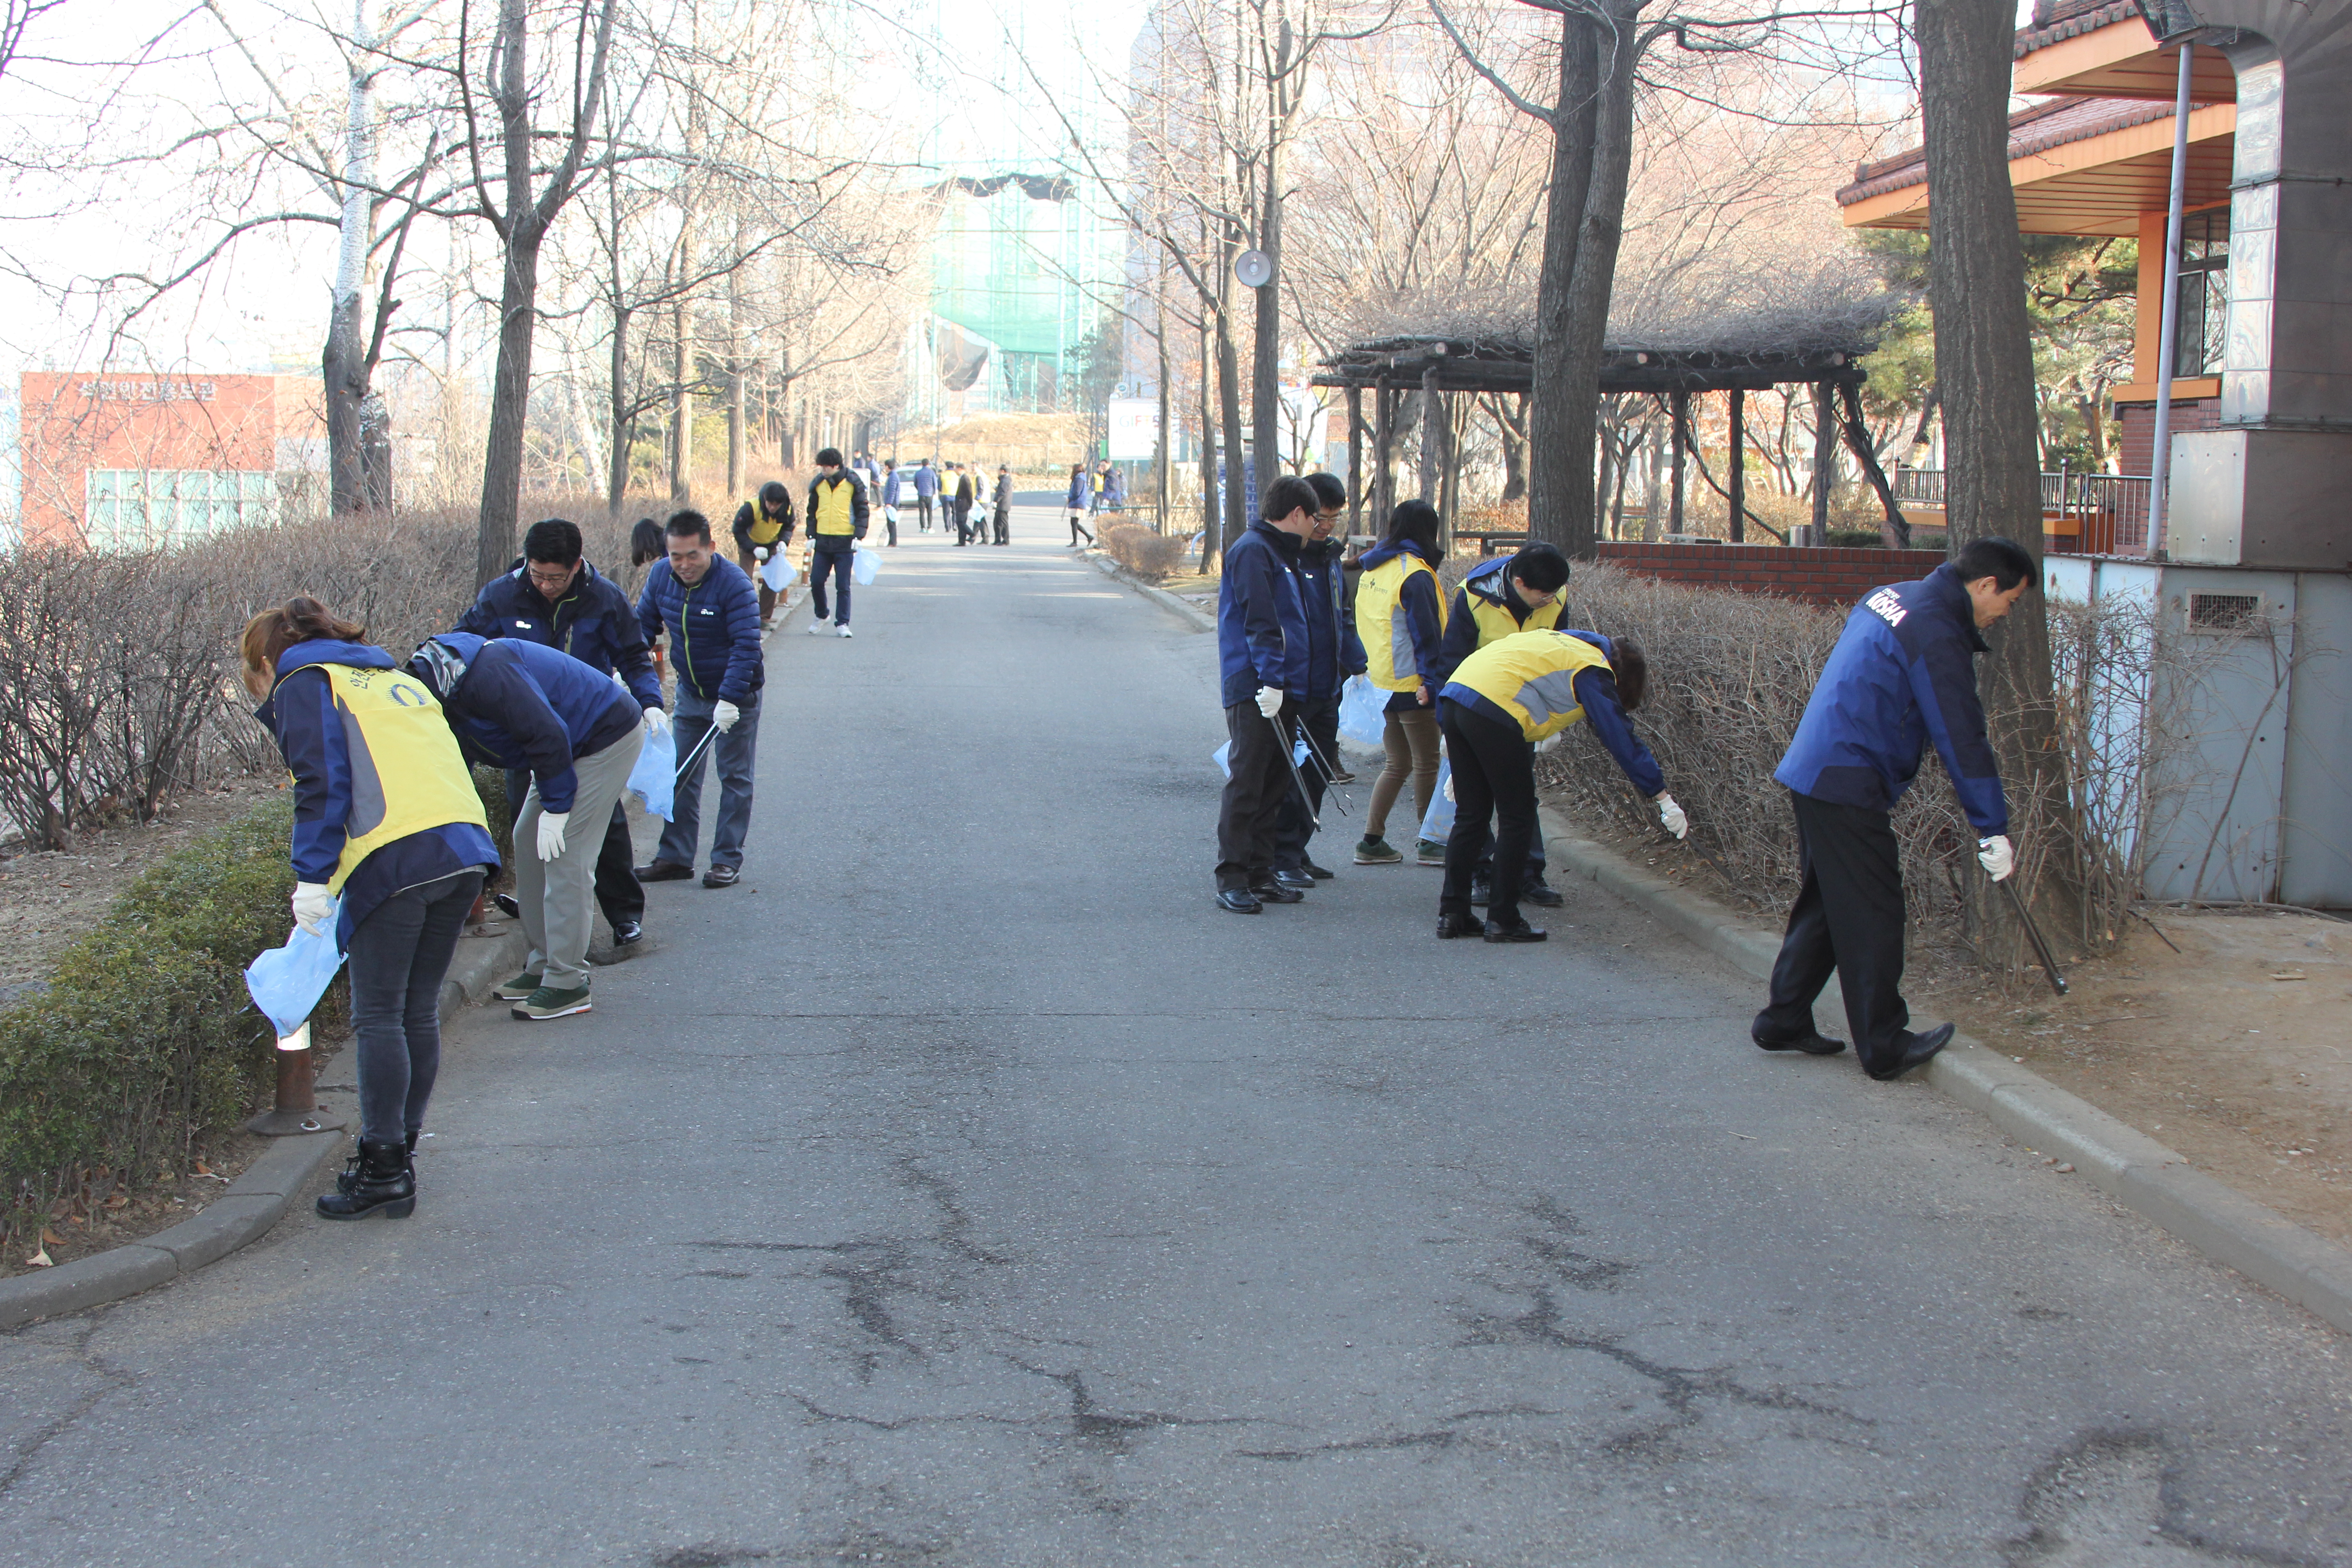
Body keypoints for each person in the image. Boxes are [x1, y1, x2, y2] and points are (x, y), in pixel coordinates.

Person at [241, 598, 497, 1222]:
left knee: (379, 1014)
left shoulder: (306, 680)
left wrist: (311, 877)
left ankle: (383, 1167)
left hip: (396, 855)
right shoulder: (389, 678)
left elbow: (320, 782)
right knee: (415, 1011)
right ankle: (397, 1154)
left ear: (266, 659)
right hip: (464, 846)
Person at [1757, 536, 2034, 1079]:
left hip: (1817, 764)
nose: (2007, 613)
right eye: (2011, 601)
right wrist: (1992, 825)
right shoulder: (1935, 630)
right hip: (1847, 776)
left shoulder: (1892, 595)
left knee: (1829, 905)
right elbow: (1961, 732)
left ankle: (1784, 1019)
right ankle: (1884, 1046)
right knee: (1874, 913)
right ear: (1986, 586)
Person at [403, 632, 647, 1021]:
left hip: (604, 735)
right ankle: (543, 964)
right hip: (564, 745)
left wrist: (557, 808)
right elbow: (455, 761)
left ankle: (568, 981)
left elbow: (548, 733)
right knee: (527, 838)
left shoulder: (485, 677)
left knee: (567, 851)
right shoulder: (442, 693)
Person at [455, 517, 664, 949]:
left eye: (555, 577)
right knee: (529, 826)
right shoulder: (501, 596)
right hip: (524, 733)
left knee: (602, 826)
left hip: (588, 732)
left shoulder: (604, 599)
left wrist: (650, 702)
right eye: (537, 575)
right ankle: (541, 915)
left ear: (576, 567)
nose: (546, 585)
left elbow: (633, 655)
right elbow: (463, 646)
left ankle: (624, 913)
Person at [1437, 628, 1683, 943]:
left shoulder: (1565, 641)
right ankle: (1503, 919)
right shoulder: (1592, 668)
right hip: (1493, 710)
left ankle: (1453, 915)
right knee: (1518, 818)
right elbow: (1619, 736)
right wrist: (1661, 795)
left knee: (1471, 816)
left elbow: (1511, 679)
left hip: (1457, 695)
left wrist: (1467, 767)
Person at [1433, 542, 1573, 902]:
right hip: (1476, 710)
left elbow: (1560, 657)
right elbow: (1451, 663)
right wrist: (1446, 727)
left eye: (1554, 594)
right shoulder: (1474, 597)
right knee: (1474, 799)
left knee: (1522, 797)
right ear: (1520, 582)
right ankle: (1480, 872)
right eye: (1543, 594)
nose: (1550, 600)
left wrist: (1553, 722)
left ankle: (1528, 874)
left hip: (1523, 713)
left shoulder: (1556, 598)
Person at [636, 510, 764, 887]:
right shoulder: (662, 576)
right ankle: (675, 857)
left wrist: (730, 699)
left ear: (710, 546)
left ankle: (726, 859)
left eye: (693, 555)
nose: (684, 565)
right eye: (676, 556)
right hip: (692, 692)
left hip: (736, 695)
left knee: (735, 777)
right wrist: (622, 670)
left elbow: (746, 646)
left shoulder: (734, 585)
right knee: (681, 776)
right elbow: (642, 626)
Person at [1212, 475, 1320, 913]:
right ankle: (1233, 877)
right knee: (1248, 781)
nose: (1316, 527)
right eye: (1314, 519)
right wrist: (1272, 681)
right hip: (1258, 682)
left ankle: (1259, 872)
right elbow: (1261, 621)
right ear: (1297, 514)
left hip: (1281, 682)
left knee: (1274, 784)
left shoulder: (1278, 552)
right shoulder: (1255, 551)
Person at [1268, 472, 1367, 889]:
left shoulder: (1328, 556)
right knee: (1288, 775)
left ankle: (1297, 849)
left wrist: (1358, 664)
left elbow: (1341, 616)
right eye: (1321, 518)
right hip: (1293, 686)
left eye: (1335, 519)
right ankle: (1279, 855)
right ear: (1302, 513)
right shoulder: (1280, 557)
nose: (1326, 527)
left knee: (1317, 773)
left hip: (1328, 684)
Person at [1351, 499, 1448, 867]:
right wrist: (1432, 682)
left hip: (1380, 681)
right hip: (1413, 684)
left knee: (1397, 763)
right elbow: (1427, 635)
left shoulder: (1375, 569)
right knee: (1426, 763)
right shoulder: (1415, 574)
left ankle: (1371, 841)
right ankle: (1430, 840)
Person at [803, 447, 867, 637]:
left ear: (837, 466)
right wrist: (811, 535)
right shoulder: (818, 484)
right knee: (816, 581)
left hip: (845, 541)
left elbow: (862, 511)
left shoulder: (853, 483)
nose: (823, 470)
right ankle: (822, 615)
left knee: (843, 585)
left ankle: (843, 623)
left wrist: (858, 536)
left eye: (826, 467)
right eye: (821, 467)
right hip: (823, 541)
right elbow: (812, 512)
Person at [731, 481, 796, 626]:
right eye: (770, 503)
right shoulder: (751, 508)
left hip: (772, 545)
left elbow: (789, 527)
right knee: (744, 579)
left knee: (773, 580)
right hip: (749, 544)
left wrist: (783, 542)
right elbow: (738, 530)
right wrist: (753, 548)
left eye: (776, 505)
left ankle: (764, 617)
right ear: (765, 499)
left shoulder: (788, 510)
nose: (772, 508)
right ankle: (744, 617)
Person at [1064, 463, 1095, 547]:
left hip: (1077, 502)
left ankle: (1077, 541)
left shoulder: (1079, 479)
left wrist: (1070, 498)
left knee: (1074, 522)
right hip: (1079, 502)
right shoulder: (1081, 477)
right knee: (1074, 522)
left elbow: (1077, 492)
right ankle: (1088, 537)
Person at [952, 462, 978, 545]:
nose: (955, 470)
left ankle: (972, 534)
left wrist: (970, 503)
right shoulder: (962, 478)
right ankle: (962, 541)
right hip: (961, 503)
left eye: (955, 469)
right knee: (961, 522)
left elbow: (969, 492)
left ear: (960, 469)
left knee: (960, 522)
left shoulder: (965, 478)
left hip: (963, 504)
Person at [880, 458, 902, 547]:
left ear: (887, 466)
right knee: (890, 523)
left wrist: (889, 503)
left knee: (891, 523)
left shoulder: (893, 477)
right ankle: (892, 542)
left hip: (892, 504)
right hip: (892, 503)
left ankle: (893, 542)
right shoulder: (893, 475)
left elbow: (893, 491)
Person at [912, 458, 939, 533]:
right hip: (929, 494)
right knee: (930, 512)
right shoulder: (931, 473)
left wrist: (919, 489)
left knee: (922, 512)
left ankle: (923, 527)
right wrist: (934, 492)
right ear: (928, 464)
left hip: (921, 494)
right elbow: (935, 483)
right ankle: (930, 527)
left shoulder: (918, 473)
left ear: (922, 464)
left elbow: (915, 483)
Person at [992, 465, 1013, 545]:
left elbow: (1002, 492)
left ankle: (1005, 540)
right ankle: (997, 539)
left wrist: (996, 501)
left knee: (1003, 523)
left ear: (1003, 471)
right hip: (1002, 505)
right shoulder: (1005, 480)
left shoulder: (1005, 481)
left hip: (1003, 505)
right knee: (996, 523)